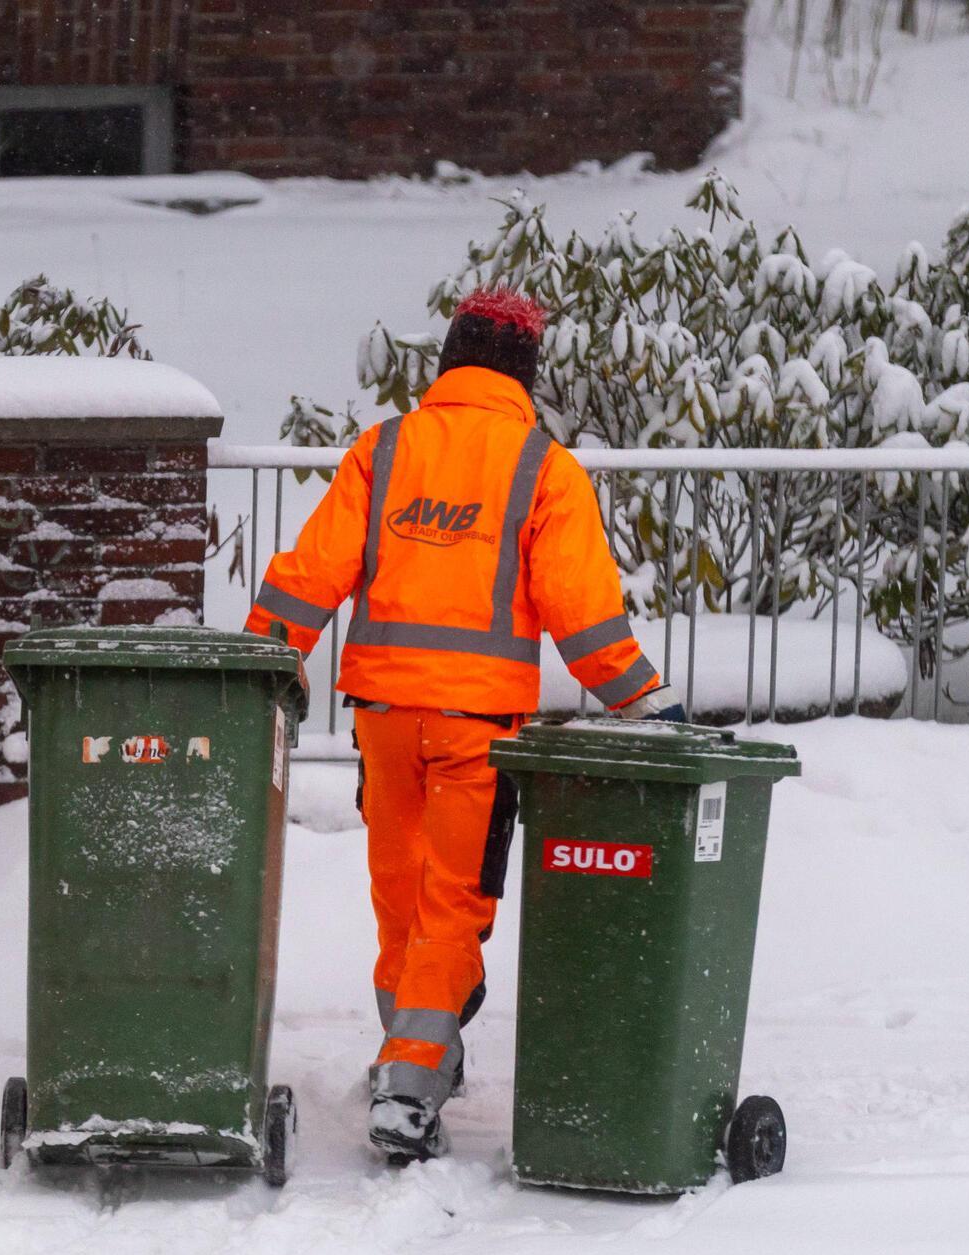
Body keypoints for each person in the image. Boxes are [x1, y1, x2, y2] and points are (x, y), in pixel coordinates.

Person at [244, 288, 685, 1162]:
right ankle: (408, 1089)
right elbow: (583, 616)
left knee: (401, 897)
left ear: (448, 362)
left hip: (382, 718)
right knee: (452, 906)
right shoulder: (540, 467)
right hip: (477, 727)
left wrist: (260, 658)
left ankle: (416, 1054)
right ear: (526, 371)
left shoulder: (386, 449)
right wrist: (648, 701)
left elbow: (312, 573)